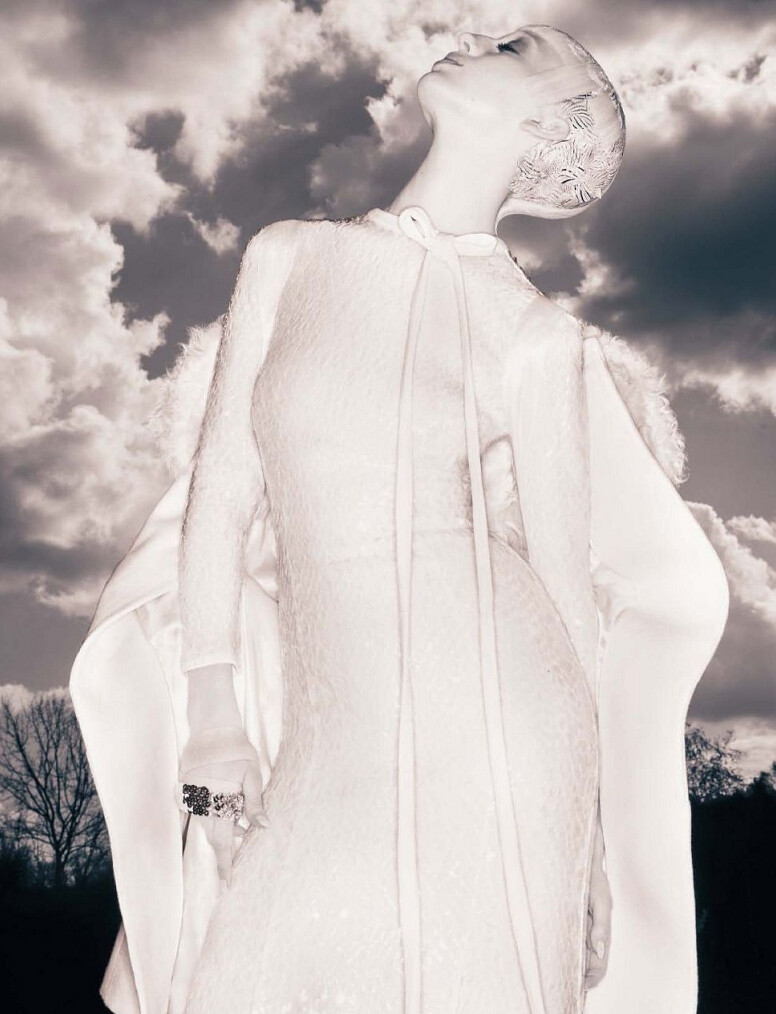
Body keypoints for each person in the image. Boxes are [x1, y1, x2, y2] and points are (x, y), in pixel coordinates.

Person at [69, 24, 729, 1014]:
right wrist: (211, 716)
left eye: (512, 48)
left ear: (546, 122)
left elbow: (563, 594)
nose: (472, 40)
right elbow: (221, 494)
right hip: (324, 733)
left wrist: (589, 844)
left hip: (505, 723)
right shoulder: (289, 255)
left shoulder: (537, 333)